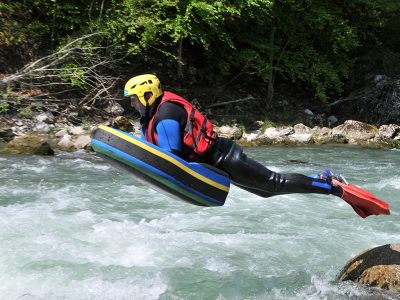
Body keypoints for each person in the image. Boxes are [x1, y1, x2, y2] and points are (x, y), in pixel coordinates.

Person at [123, 74, 344, 199]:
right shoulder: (150, 117)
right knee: (266, 192)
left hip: (225, 157)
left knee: (273, 183)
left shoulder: (166, 113)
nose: (132, 103)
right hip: (215, 163)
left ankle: (329, 183)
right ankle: (318, 178)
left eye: (134, 98)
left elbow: (170, 156)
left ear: (147, 95)